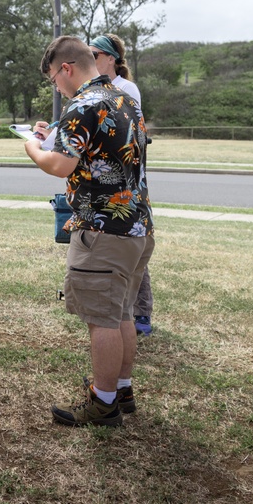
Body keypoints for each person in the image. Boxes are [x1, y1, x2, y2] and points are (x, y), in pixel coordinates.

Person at [26, 35, 154, 426]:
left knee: (102, 318)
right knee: (123, 313)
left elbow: (60, 165)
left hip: (102, 231)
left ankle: (102, 404)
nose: (56, 87)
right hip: (137, 224)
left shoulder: (81, 105)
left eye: (53, 79)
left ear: (65, 68)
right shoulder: (124, 99)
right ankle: (121, 388)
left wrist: (32, 147)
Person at [90, 34, 154, 336]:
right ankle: (117, 311)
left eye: (95, 54)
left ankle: (140, 312)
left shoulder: (127, 89)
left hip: (124, 178)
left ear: (112, 58)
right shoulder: (91, 88)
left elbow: (125, 130)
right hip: (100, 181)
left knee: (132, 244)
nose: (90, 59)